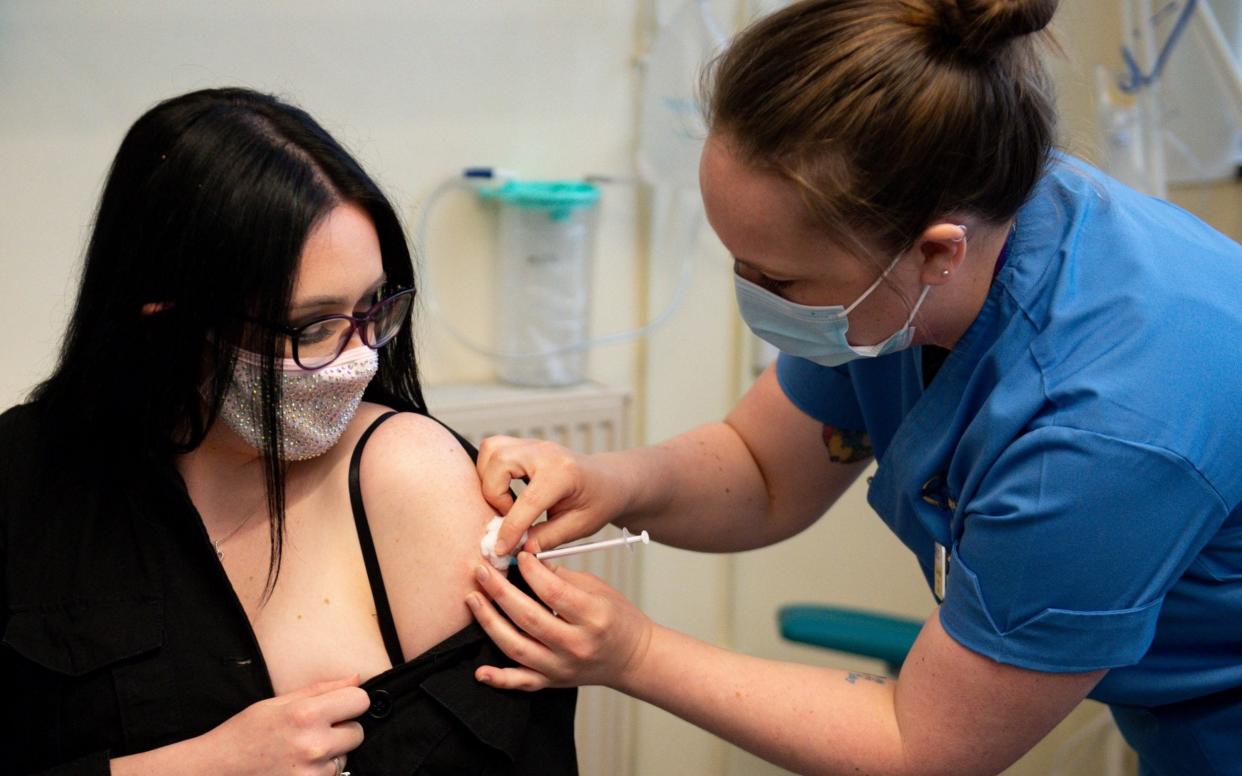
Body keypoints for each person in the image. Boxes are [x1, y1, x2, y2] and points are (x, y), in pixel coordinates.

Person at [464, 1, 1242, 774]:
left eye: (777, 278)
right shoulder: (928, 237)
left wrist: (635, 654)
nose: (753, 296)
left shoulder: (1101, 428)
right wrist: (608, 481)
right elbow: (762, 471)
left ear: (938, 253)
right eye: (737, 261)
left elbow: (919, 747)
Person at [1, 88, 577, 775]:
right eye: (311, 328)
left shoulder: (408, 476)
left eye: (374, 308)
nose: (359, 357)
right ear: (166, 318)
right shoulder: (30, 482)